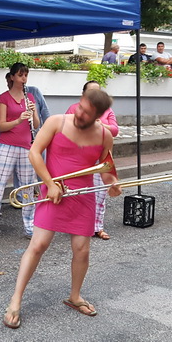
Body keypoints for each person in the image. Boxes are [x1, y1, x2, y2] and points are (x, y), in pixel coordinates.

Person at [3, 89, 121, 329]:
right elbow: (34, 153)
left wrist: (113, 184)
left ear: (98, 115)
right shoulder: (56, 121)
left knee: (82, 249)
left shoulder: (104, 135)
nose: (79, 113)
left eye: (86, 113)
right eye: (79, 107)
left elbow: (106, 168)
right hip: (53, 192)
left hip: (82, 197)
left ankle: (74, 296)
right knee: (38, 245)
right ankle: (15, 300)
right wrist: (49, 184)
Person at [0, 63, 40, 247]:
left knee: (28, 189)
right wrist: (19, 119)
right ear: (12, 77)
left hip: (26, 146)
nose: (24, 79)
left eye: (26, 75)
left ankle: (31, 228)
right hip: (6, 146)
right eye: (21, 75)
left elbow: (36, 125)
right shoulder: (4, 98)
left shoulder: (30, 97)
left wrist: (33, 112)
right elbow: (2, 126)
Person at [66, 81, 119, 240]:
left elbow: (115, 130)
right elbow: (67, 128)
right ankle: (74, 224)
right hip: (78, 157)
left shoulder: (107, 111)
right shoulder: (74, 108)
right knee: (76, 193)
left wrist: (100, 123)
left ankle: (97, 227)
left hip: (98, 158)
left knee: (100, 195)